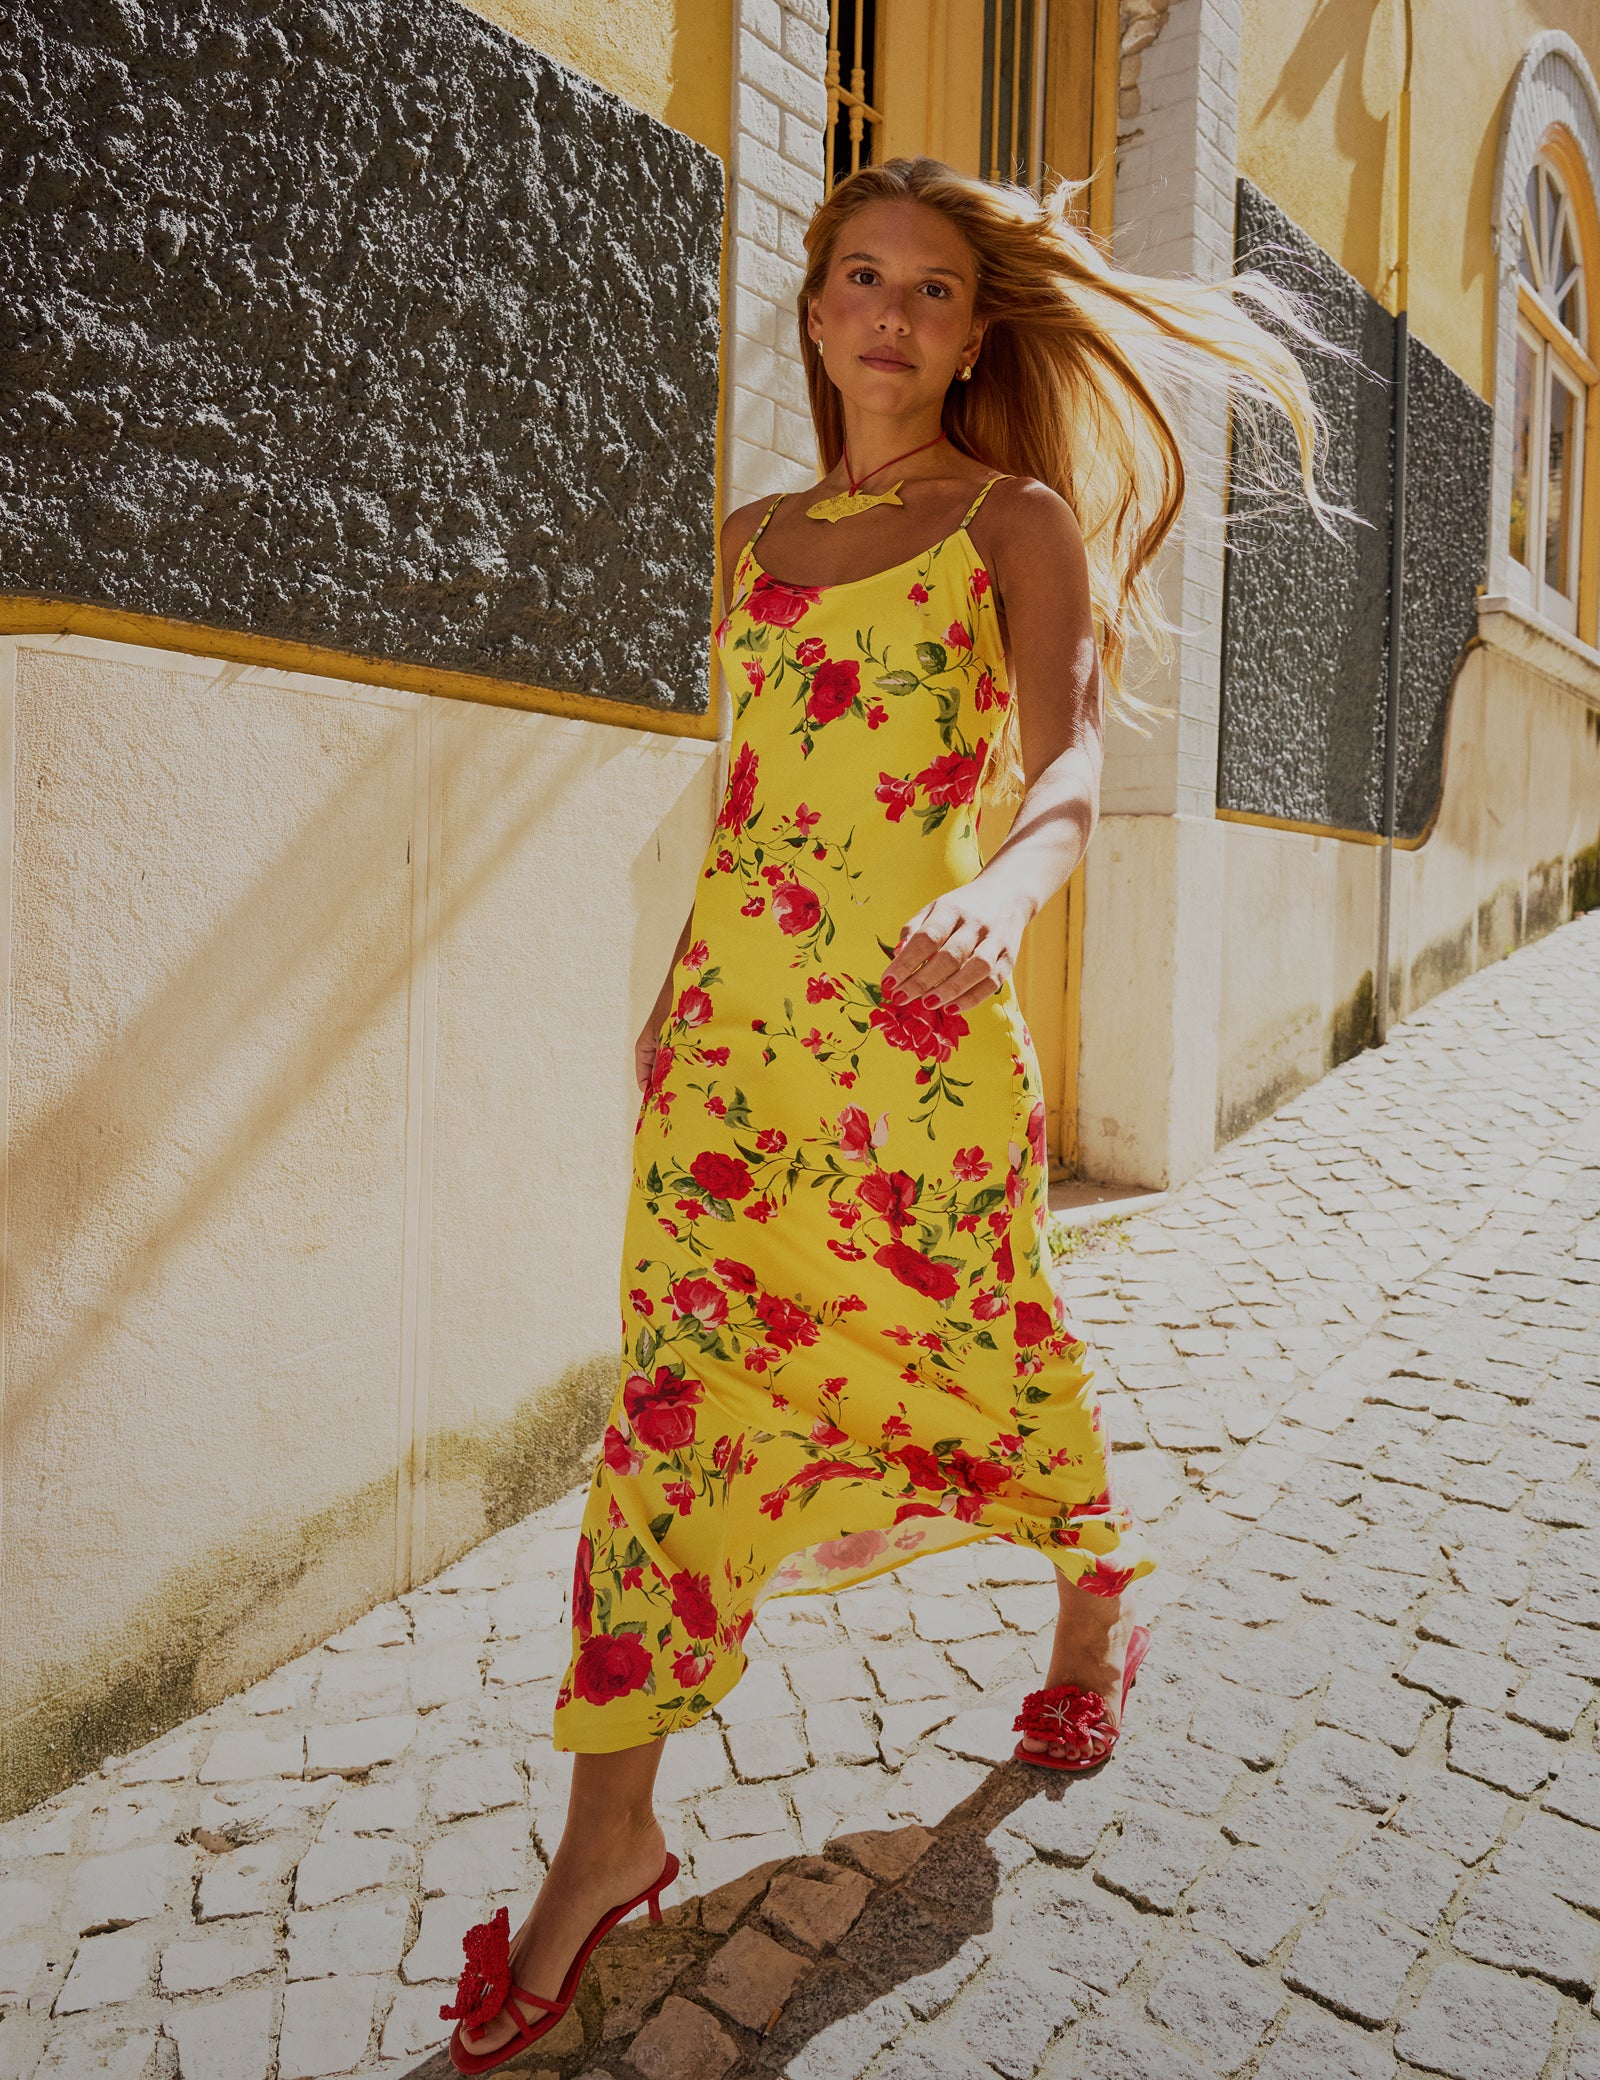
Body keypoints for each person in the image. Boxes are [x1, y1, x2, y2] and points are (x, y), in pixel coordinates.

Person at [442, 153, 1328, 2073]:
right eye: (862, 276)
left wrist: (1004, 893)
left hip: (918, 1043)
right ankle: (607, 1839)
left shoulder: (1012, 519)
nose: (892, 314)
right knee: (672, 1405)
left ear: (977, 331)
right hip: (733, 1049)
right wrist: (676, 989)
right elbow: (753, 793)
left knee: (981, 1340)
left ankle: (1093, 1594)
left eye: (933, 288)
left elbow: (1070, 761)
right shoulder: (752, 533)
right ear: (817, 305)